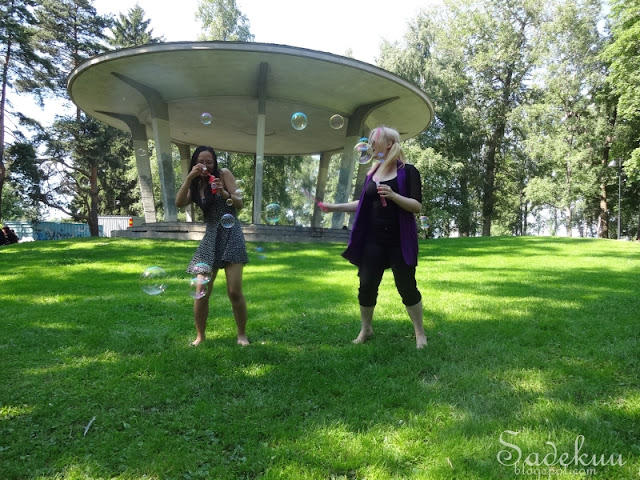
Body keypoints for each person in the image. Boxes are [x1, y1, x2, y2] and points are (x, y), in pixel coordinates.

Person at [321, 126, 427, 349]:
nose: (370, 144)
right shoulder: (373, 173)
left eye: (374, 139)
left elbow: (416, 206)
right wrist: (334, 207)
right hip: (373, 240)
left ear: (389, 144)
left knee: (406, 286)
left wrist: (394, 195)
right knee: (366, 285)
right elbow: (362, 204)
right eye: (368, 140)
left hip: (399, 239)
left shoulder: (408, 171)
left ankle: (420, 333)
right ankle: (366, 329)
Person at [175, 146, 249, 346]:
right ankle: (200, 336)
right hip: (211, 236)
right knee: (201, 290)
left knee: (234, 291)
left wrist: (223, 192)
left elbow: (239, 203)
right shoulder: (195, 185)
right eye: (201, 162)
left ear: (215, 163)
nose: (205, 165)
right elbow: (179, 203)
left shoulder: (223, 175)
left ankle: (242, 335)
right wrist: (189, 179)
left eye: (209, 162)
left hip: (231, 234)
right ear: (195, 163)